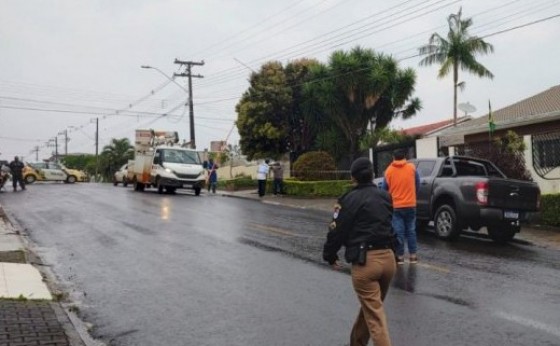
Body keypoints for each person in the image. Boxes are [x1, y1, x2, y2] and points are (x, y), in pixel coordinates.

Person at [323, 157, 396, 346]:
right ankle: (356, 342)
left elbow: (337, 231)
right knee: (371, 309)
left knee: (376, 319)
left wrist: (330, 255)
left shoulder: (348, 199)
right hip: (388, 261)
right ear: (372, 175)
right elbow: (390, 228)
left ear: (353, 177)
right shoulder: (385, 196)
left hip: (366, 264)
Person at [382, 149, 420, 265]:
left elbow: (384, 189)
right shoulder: (412, 168)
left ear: (393, 157)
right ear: (405, 157)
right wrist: (412, 195)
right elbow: (417, 184)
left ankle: (400, 257)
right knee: (411, 230)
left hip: (396, 206)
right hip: (410, 204)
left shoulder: (388, 171)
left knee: (399, 232)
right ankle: (413, 256)